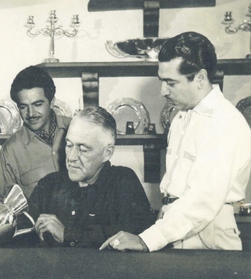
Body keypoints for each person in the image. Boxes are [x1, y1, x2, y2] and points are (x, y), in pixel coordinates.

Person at [101, 31, 251, 252]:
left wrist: (147, 239)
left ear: (200, 78)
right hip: (178, 226)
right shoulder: (183, 115)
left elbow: (203, 200)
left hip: (208, 234)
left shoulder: (223, 122)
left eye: (171, 83)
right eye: (162, 81)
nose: (163, 91)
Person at [0, 106, 154, 247]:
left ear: (107, 152)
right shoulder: (49, 185)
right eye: (69, 145)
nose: (72, 157)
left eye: (83, 149)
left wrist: (68, 234)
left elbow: (137, 234)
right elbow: (21, 231)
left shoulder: (123, 181)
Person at [0, 65, 71, 201]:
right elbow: (1, 208)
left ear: (52, 102)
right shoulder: (10, 150)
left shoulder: (76, 129)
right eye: (23, 107)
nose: (31, 113)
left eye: (37, 104)